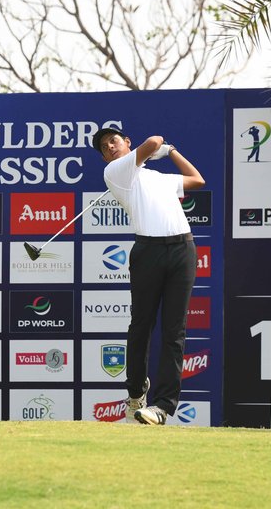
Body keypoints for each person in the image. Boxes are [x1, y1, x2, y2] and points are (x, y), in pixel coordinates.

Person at [92, 127, 205, 425]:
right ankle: (136, 389)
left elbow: (197, 179)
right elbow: (153, 140)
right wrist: (159, 148)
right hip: (148, 250)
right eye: (105, 147)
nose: (110, 147)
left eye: (114, 141)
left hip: (183, 248)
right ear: (105, 158)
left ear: (127, 142)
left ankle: (163, 406)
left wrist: (172, 152)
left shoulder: (156, 178)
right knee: (141, 325)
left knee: (174, 331)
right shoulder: (116, 172)